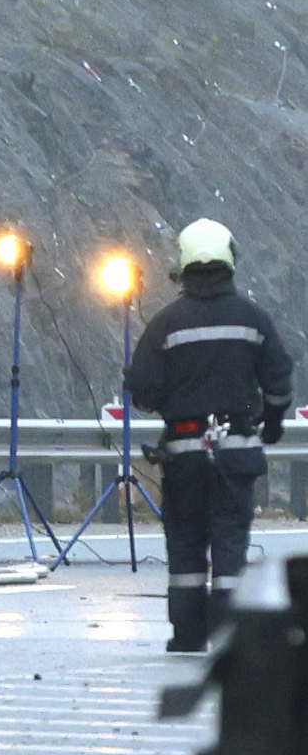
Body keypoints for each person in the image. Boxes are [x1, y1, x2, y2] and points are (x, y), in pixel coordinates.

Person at [127, 219, 294, 653]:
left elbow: (142, 386)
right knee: (230, 544)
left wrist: (173, 407)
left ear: (182, 265)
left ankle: (186, 635)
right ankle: (228, 637)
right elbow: (278, 378)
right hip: (236, 453)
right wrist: (273, 420)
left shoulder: (165, 324)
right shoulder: (253, 318)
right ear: (230, 261)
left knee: (185, 545)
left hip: (183, 454)